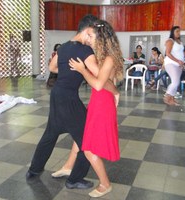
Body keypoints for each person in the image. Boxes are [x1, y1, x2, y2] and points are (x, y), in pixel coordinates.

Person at [26, 15, 118, 190]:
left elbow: (52, 67)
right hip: (68, 99)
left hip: (57, 95)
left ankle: (34, 170)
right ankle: (75, 178)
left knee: (50, 134)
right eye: (94, 36)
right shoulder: (85, 51)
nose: (94, 41)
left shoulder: (64, 46)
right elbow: (101, 77)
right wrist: (115, 90)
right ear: (88, 31)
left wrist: (69, 71)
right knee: (87, 139)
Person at [69, 19, 123, 197]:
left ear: (100, 37)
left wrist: (82, 70)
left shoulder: (108, 58)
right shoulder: (104, 56)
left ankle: (105, 184)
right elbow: (106, 83)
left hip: (102, 105)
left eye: (91, 36)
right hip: (98, 103)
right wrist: (115, 92)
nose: (88, 39)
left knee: (90, 148)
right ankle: (70, 166)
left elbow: (99, 85)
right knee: (87, 143)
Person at [163, 26, 185, 106]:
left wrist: (183, 60)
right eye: (177, 31)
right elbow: (168, 53)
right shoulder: (170, 41)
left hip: (178, 65)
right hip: (171, 63)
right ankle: (167, 95)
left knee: (176, 82)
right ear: (173, 32)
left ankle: (171, 99)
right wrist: (178, 61)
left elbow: (181, 53)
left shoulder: (179, 41)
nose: (179, 33)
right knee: (175, 82)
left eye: (179, 31)